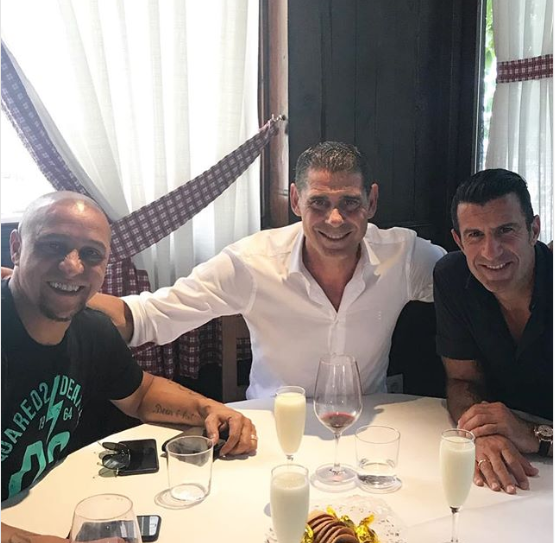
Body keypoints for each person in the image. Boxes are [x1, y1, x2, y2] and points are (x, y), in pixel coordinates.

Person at [91, 141, 446, 399]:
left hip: (364, 426)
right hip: (275, 428)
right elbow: (152, 314)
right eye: (319, 203)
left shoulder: (403, 256)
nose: (335, 219)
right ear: (296, 201)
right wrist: (66, 305)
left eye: (350, 202)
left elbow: (466, 286)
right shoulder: (252, 262)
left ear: (372, 201)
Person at [1, 192, 256, 543]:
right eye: (53, 246)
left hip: (41, 506)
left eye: (91, 254)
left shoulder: (90, 328)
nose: (72, 266)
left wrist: (208, 409)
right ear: (16, 247)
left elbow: (141, 394)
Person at [433, 169, 553, 496]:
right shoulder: (452, 277)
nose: (491, 252)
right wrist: (481, 430)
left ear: (534, 230)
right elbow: (462, 380)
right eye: (475, 235)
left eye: (505, 230)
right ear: (459, 241)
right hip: (509, 471)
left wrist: (535, 435)